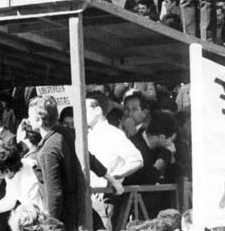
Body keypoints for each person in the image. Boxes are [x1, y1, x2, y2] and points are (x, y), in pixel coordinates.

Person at [27, 95, 87, 230]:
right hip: (75, 212)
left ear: (38, 119)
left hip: (60, 220)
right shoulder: (63, 134)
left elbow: (54, 193)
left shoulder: (47, 150)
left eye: (30, 116)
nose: (28, 120)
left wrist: (49, 225)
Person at [86, 92, 143, 231]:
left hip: (103, 198)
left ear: (98, 110)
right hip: (89, 198)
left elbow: (137, 160)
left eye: (85, 109)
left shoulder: (113, 134)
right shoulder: (88, 134)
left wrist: (113, 177)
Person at [123, 112, 178, 217]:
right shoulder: (134, 146)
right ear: (162, 137)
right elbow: (146, 179)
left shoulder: (161, 150)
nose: (171, 143)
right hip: (129, 211)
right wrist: (162, 160)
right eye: (170, 139)